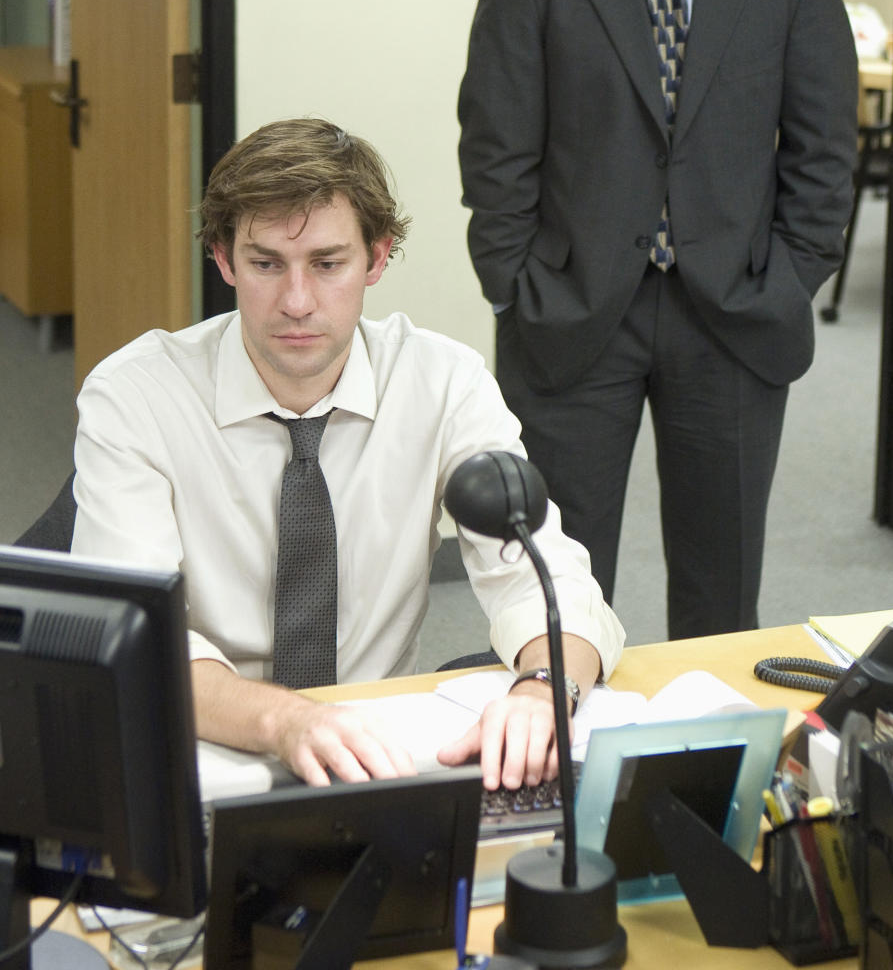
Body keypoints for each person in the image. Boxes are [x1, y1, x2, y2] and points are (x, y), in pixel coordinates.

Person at [71, 117, 624, 791]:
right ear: (222, 260)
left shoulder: (442, 383)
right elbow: (133, 643)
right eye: (266, 264)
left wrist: (542, 690)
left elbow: (545, 578)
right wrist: (287, 722)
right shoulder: (135, 397)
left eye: (328, 264)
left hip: (378, 758)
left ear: (377, 258)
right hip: (207, 749)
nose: (297, 301)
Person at [458, 0, 859, 640]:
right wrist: (518, 288)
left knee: (722, 595)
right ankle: (560, 771)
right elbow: (496, 149)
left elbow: (822, 145)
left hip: (735, 312)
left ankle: (703, 779)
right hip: (572, 311)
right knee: (559, 589)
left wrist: (791, 276)